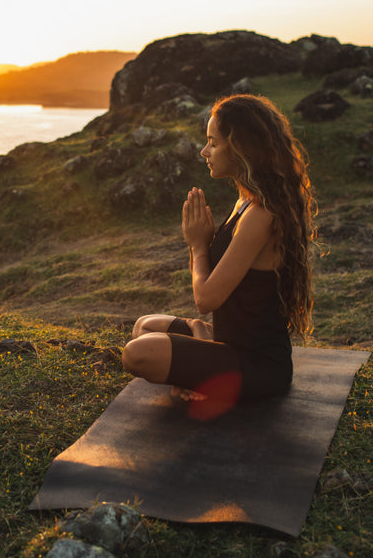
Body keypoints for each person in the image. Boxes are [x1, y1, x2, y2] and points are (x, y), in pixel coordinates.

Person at [121, 94, 316, 418]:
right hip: (227, 343)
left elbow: (207, 298)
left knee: (137, 354)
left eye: (213, 143)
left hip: (257, 366)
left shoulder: (260, 214)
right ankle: (203, 343)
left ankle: (205, 368)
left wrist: (198, 244)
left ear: (239, 148)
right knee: (144, 325)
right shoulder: (245, 200)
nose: (204, 151)